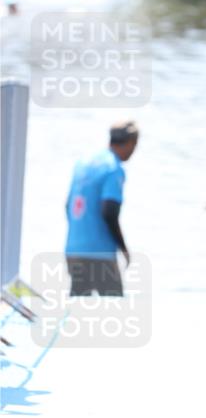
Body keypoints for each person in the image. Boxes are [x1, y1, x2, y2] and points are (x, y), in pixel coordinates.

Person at [64, 121, 139, 296]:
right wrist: (124, 248)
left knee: (78, 311)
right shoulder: (114, 169)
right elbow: (109, 212)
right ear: (130, 143)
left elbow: (68, 206)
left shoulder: (83, 163)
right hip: (99, 255)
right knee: (116, 313)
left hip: (73, 250)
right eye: (134, 145)